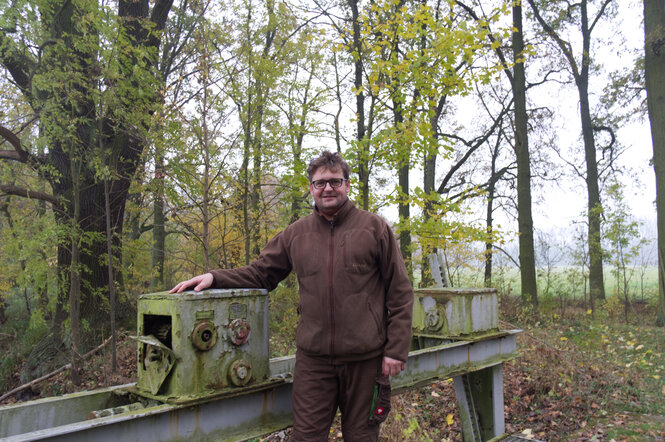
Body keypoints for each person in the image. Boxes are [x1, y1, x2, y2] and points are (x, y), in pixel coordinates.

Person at [170, 150, 413, 441]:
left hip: (365, 361)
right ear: (311, 188)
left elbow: (400, 291)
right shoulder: (297, 234)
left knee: (362, 437)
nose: (327, 188)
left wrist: (396, 349)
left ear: (347, 185)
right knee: (306, 437)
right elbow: (261, 273)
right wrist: (215, 278)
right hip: (315, 363)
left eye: (335, 182)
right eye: (320, 183)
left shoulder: (374, 229)